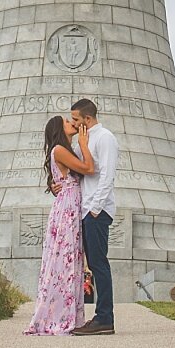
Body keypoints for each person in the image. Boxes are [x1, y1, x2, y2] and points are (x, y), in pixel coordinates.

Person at [23, 113, 93, 335]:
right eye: (66, 122)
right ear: (58, 129)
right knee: (65, 261)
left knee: (66, 262)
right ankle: (58, 317)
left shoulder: (62, 151)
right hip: (68, 209)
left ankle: (63, 314)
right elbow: (88, 169)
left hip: (68, 206)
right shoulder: (60, 150)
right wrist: (84, 144)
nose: (71, 123)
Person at [69, 98, 118, 335]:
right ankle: (99, 317)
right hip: (85, 210)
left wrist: (96, 209)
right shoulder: (84, 142)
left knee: (99, 264)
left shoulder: (105, 138)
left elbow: (107, 175)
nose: (73, 123)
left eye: (76, 119)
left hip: (96, 211)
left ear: (87, 119)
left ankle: (104, 318)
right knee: (93, 264)